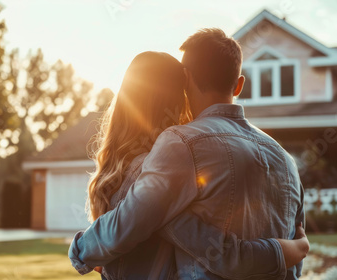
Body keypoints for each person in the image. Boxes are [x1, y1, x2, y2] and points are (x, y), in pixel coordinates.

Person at [70, 29, 306, 279]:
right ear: (238, 85)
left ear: (186, 78)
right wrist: (289, 251)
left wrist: (80, 251)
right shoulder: (285, 159)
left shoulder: (182, 143)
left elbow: (131, 224)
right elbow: (294, 267)